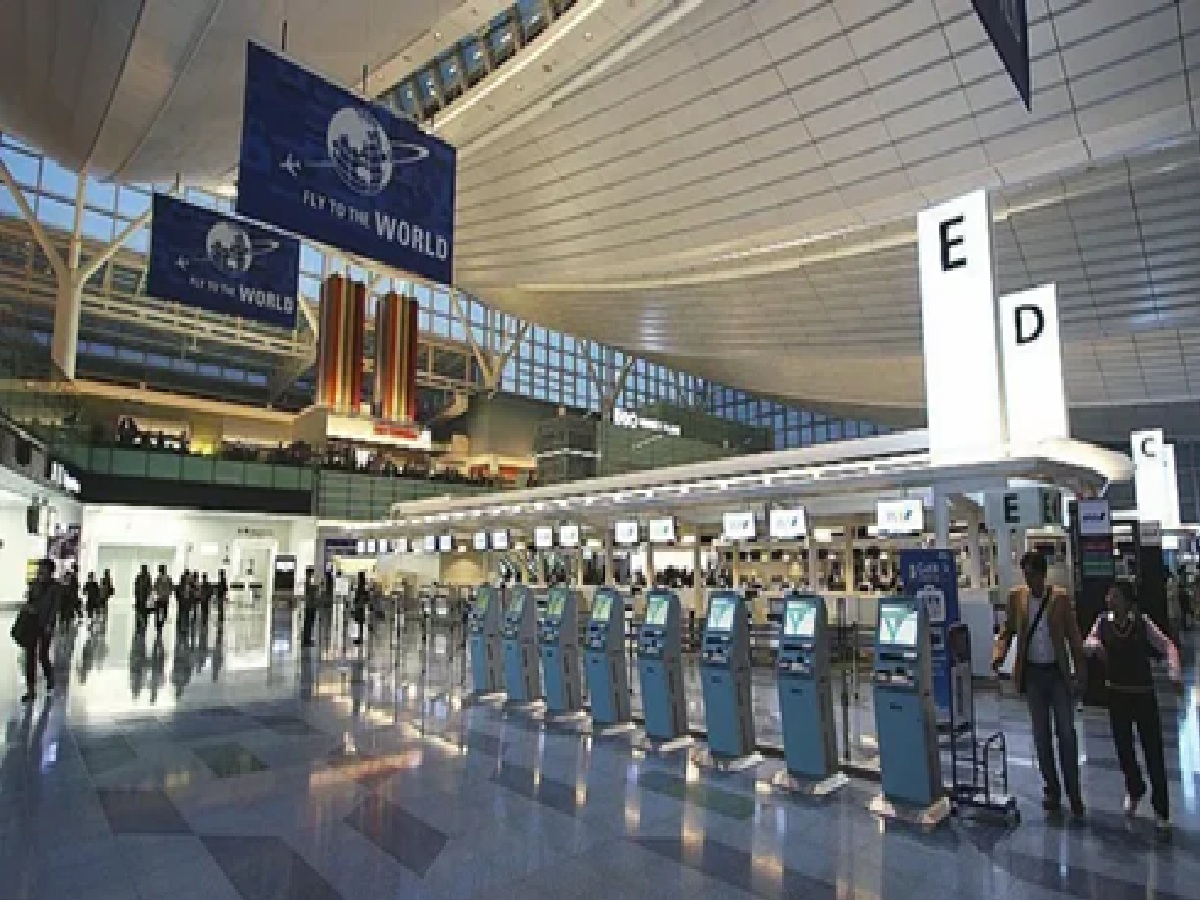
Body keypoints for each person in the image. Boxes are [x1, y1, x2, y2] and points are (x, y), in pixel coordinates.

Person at [992, 550, 1088, 817]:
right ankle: (1052, 790)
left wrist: (1080, 671)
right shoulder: (1017, 597)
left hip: (1057, 674)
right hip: (1033, 674)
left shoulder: (1060, 598)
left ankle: (1074, 792)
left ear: (1043, 575)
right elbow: (1007, 630)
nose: (1029, 580)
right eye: (1025, 575)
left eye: (1032, 575)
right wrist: (998, 654)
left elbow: (1073, 636)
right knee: (1041, 734)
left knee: (1066, 733)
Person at [1084, 581, 1181, 830]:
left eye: (1115, 596)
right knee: (1124, 750)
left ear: (1127, 601)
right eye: (1109, 595)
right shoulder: (1102, 622)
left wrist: (1174, 670)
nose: (1109, 600)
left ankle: (1161, 809)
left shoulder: (1141, 622)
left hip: (1143, 694)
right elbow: (1088, 641)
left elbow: (1166, 645)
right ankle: (1135, 788)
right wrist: (1094, 646)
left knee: (1153, 751)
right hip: (1117, 694)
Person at [18, 558, 58, 702]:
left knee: (43, 656)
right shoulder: (34, 584)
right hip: (32, 623)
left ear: (50, 571)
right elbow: (29, 601)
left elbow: (54, 608)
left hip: (46, 625)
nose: (40, 571)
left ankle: (50, 679)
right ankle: (30, 691)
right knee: (30, 657)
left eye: (43, 569)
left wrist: (49, 624)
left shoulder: (55, 587)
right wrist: (28, 607)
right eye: (39, 569)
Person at [301, 567, 320, 648]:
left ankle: (307, 638)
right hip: (309, 605)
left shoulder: (309, 582)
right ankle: (306, 639)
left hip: (311, 605)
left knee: (309, 622)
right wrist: (316, 587)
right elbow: (310, 592)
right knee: (308, 622)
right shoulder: (307, 582)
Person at [153, 565, 173, 634]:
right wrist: (168, 593)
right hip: (165, 598)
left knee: (158, 612)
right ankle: (160, 624)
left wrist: (157, 593)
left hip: (160, 598)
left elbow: (155, 587)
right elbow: (171, 588)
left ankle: (158, 625)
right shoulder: (168, 578)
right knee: (164, 612)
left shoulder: (159, 578)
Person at [133, 564, 153, 631]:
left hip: (143, 597)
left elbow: (149, 588)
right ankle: (140, 625)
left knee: (142, 612)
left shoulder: (145, 577)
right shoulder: (141, 577)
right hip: (141, 597)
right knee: (140, 612)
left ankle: (141, 625)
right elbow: (136, 586)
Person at [351, 571, 369, 646]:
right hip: (361, 607)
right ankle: (360, 638)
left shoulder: (360, 587)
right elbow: (366, 598)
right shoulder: (364, 587)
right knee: (360, 624)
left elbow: (356, 598)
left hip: (359, 607)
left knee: (359, 623)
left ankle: (359, 638)